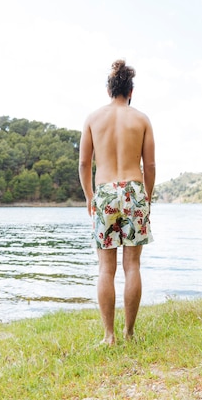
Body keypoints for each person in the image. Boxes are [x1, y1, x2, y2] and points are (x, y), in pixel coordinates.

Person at [78, 59, 156, 345]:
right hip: (134, 190)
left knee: (105, 269)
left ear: (109, 90)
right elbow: (150, 165)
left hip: (105, 191)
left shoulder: (93, 118)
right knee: (132, 266)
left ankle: (109, 336)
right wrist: (146, 196)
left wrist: (90, 197)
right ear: (130, 90)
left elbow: (84, 163)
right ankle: (129, 333)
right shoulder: (141, 119)